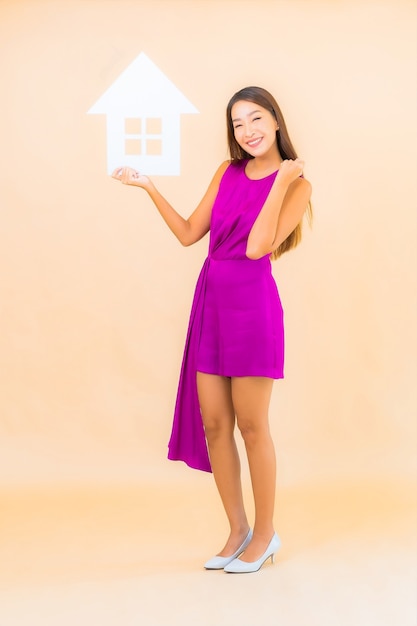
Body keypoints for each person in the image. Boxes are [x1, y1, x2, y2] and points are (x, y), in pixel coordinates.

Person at [112, 86, 312, 574]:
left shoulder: (298, 184)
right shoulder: (227, 171)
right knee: (216, 424)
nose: (249, 131)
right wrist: (150, 186)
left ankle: (265, 535)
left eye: (257, 118)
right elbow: (187, 234)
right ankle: (237, 530)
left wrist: (282, 182)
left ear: (277, 122)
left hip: (253, 308)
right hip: (212, 304)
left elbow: (257, 247)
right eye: (239, 123)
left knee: (251, 424)